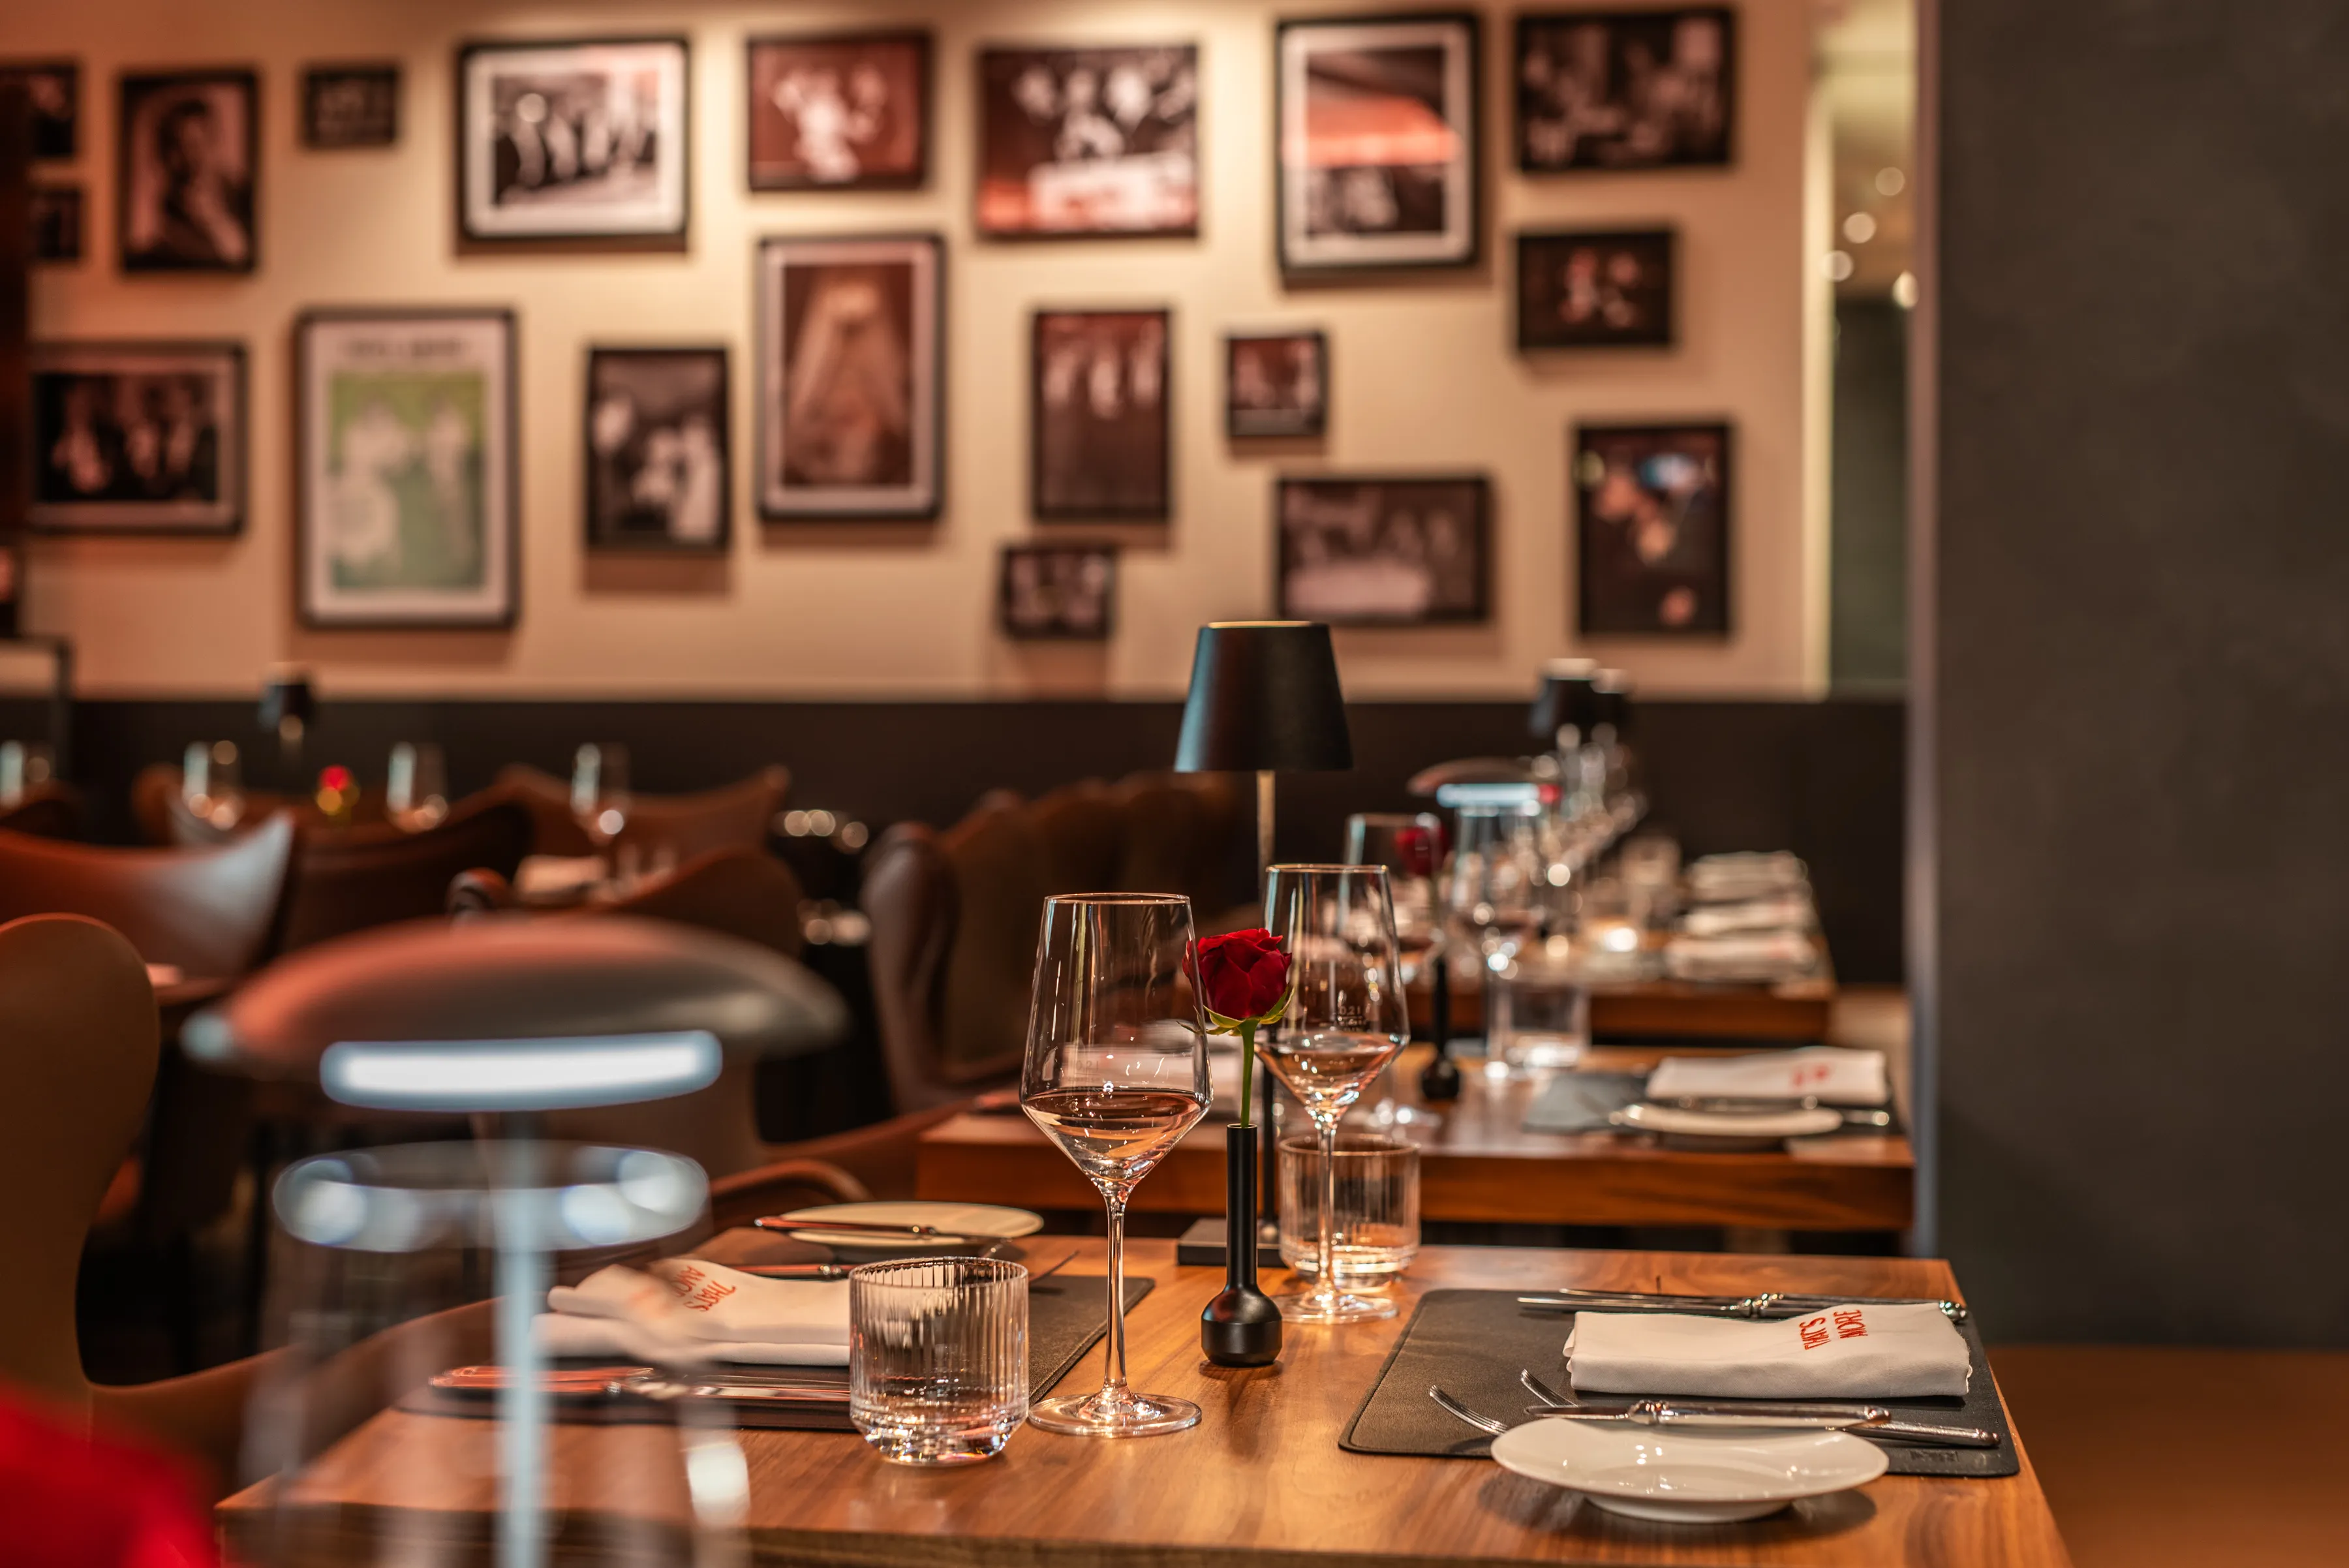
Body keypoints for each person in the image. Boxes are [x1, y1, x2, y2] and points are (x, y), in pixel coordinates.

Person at [135, 92, 251, 268]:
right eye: (176, 147)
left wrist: (213, 220)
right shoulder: (165, 207)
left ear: (214, 144)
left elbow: (242, 257)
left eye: (195, 145)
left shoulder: (242, 195)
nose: (188, 158)